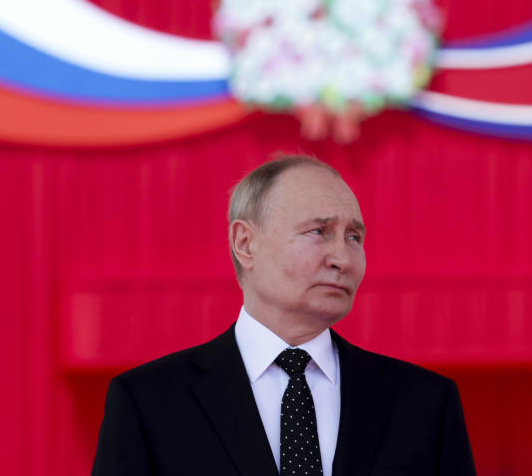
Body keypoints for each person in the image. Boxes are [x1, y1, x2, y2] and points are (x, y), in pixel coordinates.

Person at [91, 155, 476, 475]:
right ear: (245, 243)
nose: (342, 258)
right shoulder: (149, 402)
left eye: (354, 237)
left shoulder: (425, 404)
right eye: (318, 232)